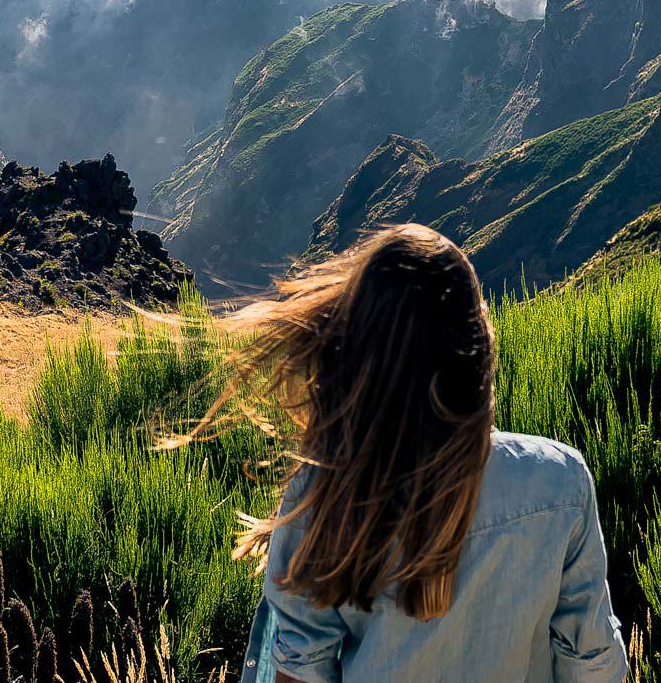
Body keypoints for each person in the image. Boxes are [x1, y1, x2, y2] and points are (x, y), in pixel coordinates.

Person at [178, 224, 626, 682]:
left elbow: (300, 672)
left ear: (356, 353)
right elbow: (591, 663)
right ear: (479, 349)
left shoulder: (323, 495)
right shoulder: (558, 483)